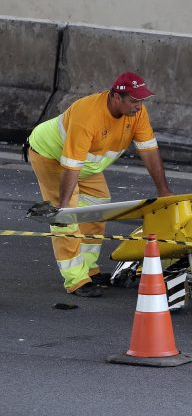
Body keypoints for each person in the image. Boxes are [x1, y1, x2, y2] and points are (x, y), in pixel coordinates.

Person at [27, 72, 173, 297]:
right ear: (116, 97)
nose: (139, 106)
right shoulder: (87, 115)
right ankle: (76, 279)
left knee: (98, 207)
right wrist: (64, 207)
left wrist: (163, 191)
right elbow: (71, 165)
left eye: (141, 100)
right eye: (134, 101)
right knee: (66, 216)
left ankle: (89, 270)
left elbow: (150, 151)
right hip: (53, 157)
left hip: (84, 165)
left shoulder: (137, 112)